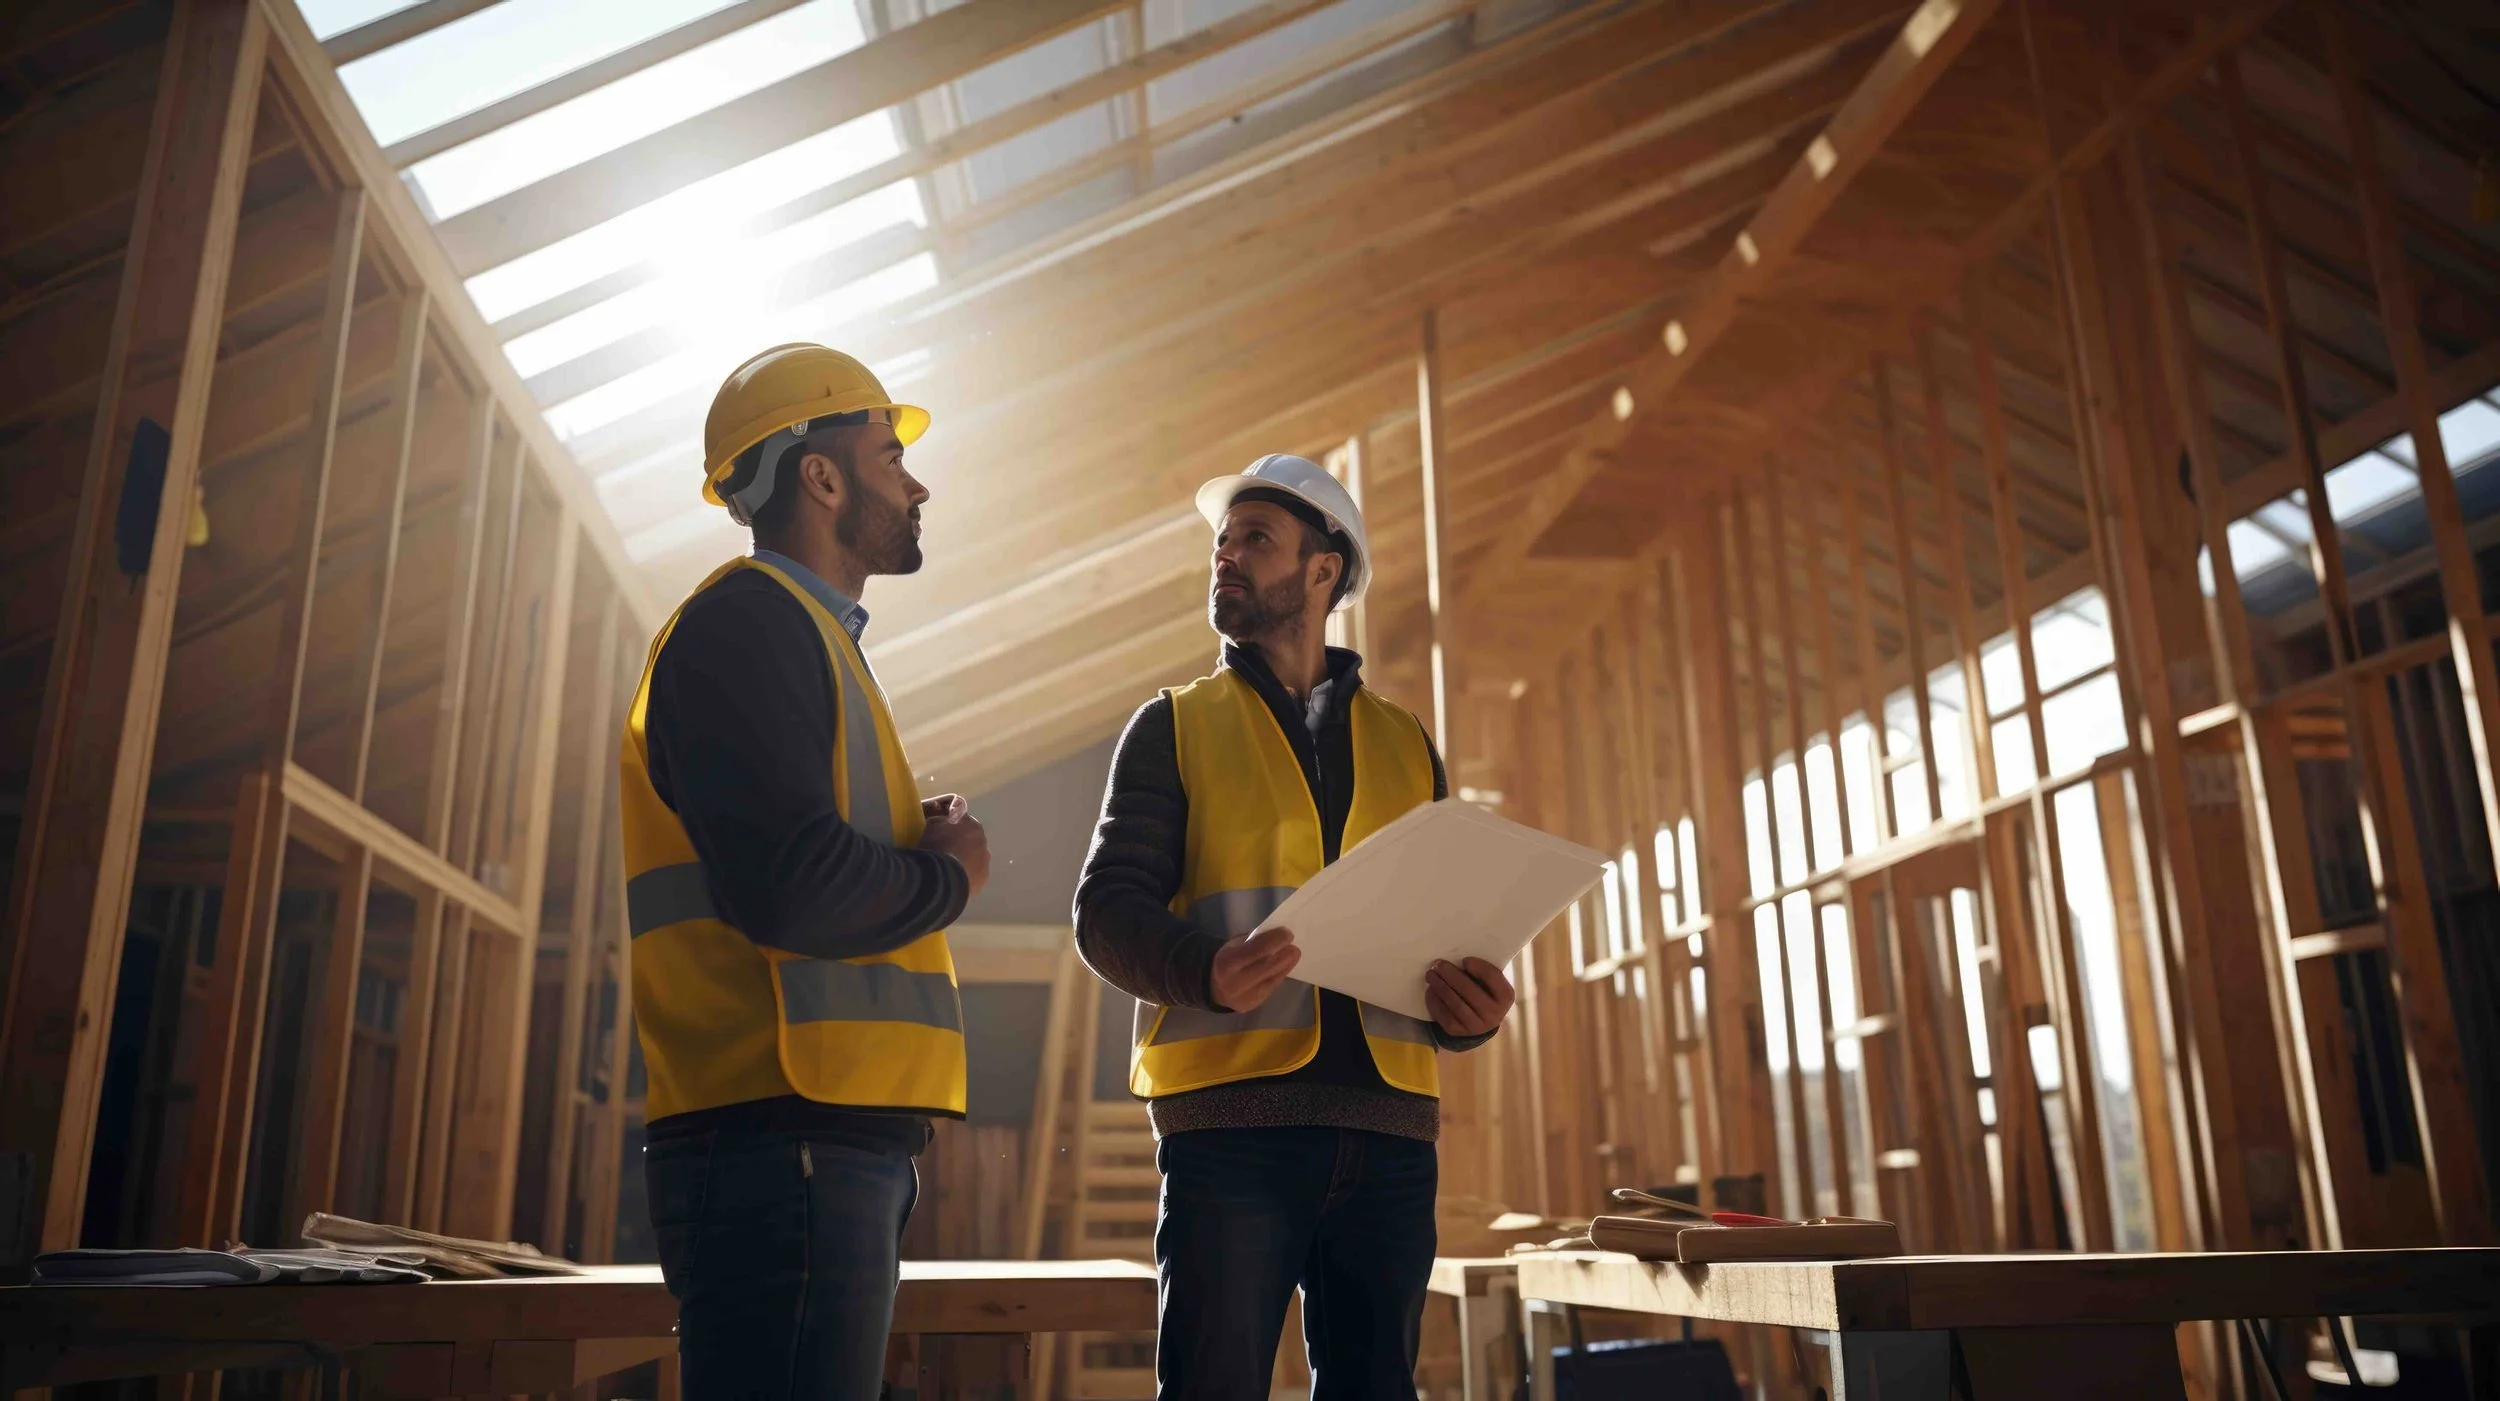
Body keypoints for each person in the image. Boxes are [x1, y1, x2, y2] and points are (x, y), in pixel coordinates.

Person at [1074, 453, 1519, 1399]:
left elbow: (1441, 934)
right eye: (1222, 540)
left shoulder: (1409, 745)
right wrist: (1204, 969)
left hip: (1392, 1136)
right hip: (1230, 1133)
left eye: (1255, 539)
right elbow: (1105, 913)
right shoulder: (1173, 726)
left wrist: (1468, 1011)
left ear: (1324, 572)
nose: (1225, 556)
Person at [620, 343, 989, 1400]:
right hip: (779, 1135)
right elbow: (791, 888)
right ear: (820, 478)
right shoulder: (747, 626)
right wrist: (952, 874)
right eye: (889, 456)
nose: (915, 483)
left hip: (808, 1138)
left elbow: (787, 851)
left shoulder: (798, 638)